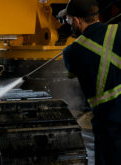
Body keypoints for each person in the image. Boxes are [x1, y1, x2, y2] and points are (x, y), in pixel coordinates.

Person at [58, 0, 121, 164]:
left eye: (68, 19)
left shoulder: (71, 52)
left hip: (109, 124)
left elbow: (71, 74)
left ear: (77, 20)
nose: (68, 23)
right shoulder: (118, 30)